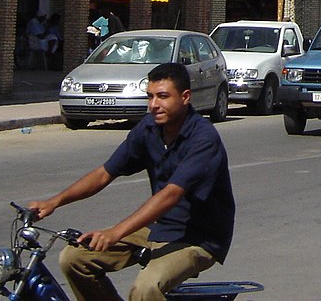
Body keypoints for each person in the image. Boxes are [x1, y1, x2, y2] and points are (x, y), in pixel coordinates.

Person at [29, 62, 235, 301]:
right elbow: (105, 173)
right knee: (74, 258)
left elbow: (171, 194)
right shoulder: (149, 129)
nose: (154, 104)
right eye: (150, 97)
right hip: (159, 228)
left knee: (145, 289)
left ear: (185, 97)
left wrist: (115, 233)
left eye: (163, 96)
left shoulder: (203, 139)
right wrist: (54, 202)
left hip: (199, 238)